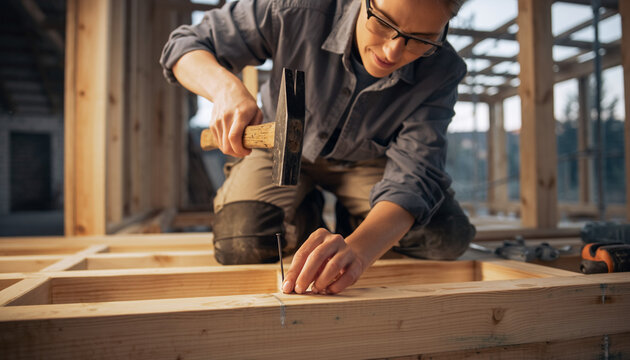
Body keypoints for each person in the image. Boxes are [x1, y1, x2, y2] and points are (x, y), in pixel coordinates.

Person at [160, 0, 475, 295]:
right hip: (278, 150)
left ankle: (354, 221)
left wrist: (360, 250)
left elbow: (415, 175)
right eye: (383, 22)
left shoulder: (443, 69)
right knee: (242, 239)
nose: (392, 51)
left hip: (370, 164)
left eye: (421, 39)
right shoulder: (296, 7)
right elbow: (185, 44)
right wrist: (224, 88)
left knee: (442, 236)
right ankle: (302, 210)